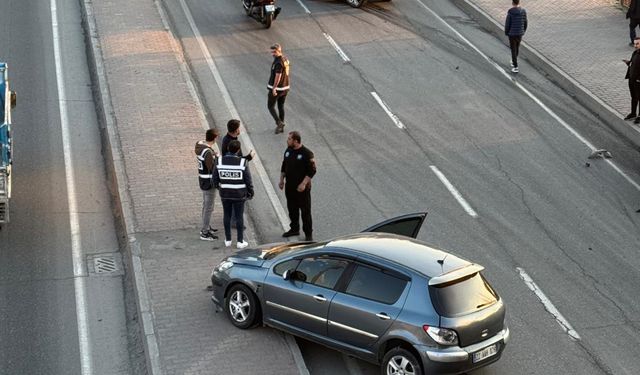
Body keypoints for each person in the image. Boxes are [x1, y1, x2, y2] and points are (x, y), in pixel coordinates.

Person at [214, 140, 254, 249]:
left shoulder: (219, 161)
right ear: (238, 150)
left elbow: (215, 179)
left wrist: (221, 188)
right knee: (239, 216)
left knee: (226, 215)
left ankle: (228, 240)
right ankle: (240, 241)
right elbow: (248, 180)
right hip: (239, 194)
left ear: (228, 149)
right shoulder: (242, 162)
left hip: (225, 194)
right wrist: (251, 192)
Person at [279, 131, 316, 241]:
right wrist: (281, 180)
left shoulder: (307, 153)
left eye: (289, 139)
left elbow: (312, 171)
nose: (287, 140)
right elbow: (284, 166)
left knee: (305, 211)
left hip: (302, 189)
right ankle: (294, 228)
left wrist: (303, 183)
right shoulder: (288, 151)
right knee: (292, 209)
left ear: (296, 141)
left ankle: (308, 234)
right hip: (290, 187)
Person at [195, 128, 220, 241]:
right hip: (209, 181)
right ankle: (205, 232)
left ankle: (206, 226)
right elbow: (212, 168)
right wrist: (217, 158)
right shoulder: (208, 152)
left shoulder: (201, 146)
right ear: (215, 138)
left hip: (202, 179)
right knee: (208, 207)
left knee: (206, 205)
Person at [267, 43, 290, 134]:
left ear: (279, 51)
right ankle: (281, 127)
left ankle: (279, 123)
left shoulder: (278, 62)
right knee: (281, 106)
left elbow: (278, 76)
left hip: (278, 88)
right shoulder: (285, 59)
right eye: (271, 52)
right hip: (285, 87)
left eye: (274, 52)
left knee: (270, 106)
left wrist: (274, 88)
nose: (272, 54)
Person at [504, 0, 527, 74]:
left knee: (513, 49)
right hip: (519, 33)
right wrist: (523, 31)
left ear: (512, 3)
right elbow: (525, 22)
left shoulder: (510, 12)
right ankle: (514, 60)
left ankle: (515, 66)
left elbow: (507, 24)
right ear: (519, 2)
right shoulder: (523, 11)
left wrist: (506, 32)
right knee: (517, 48)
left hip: (512, 34)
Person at [624, 37, 640, 123]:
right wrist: (628, 63)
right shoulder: (635, 52)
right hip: (631, 79)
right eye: (635, 43)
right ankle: (633, 113)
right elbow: (632, 63)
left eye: (637, 44)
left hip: (638, 81)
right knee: (634, 97)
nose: (635, 45)